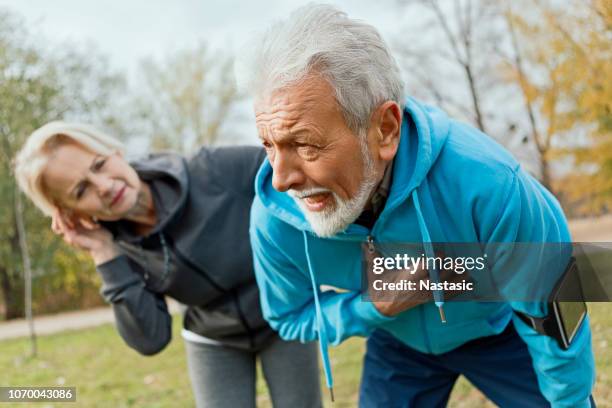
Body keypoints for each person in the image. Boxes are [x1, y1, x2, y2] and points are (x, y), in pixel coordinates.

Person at [243, 4, 596, 407]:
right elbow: (289, 317)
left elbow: (554, 308)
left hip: (500, 333)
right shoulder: (275, 219)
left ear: (385, 130)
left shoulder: (492, 185)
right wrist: (373, 306)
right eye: (269, 145)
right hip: (399, 345)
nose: (280, 179)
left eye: (305, 144)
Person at [14, 121, 322, 408]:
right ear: (71, 214)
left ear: (116, 153)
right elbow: (151, 339)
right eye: (81, 191)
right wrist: (104, 254)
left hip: (284, 319)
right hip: (212, 339)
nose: (104, 186)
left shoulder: (213, 170)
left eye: (99, 164)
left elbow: (306, 181)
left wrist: (362, 276)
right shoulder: (120, 251)